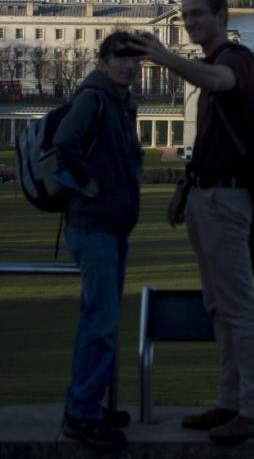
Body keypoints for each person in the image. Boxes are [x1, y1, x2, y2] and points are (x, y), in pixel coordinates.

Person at [130, 0, 254, 447]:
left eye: (197, 16)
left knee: (238, 307)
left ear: (222, 15)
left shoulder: (235, 60)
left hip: (228, 202)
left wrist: (164, 58)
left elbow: (218, 84)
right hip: (206, 196)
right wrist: (185, 187)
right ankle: (230, 401)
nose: (189, 23)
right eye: (185, 16)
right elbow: (211, 143)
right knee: (220, 306)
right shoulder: (213, 64)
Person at [56, 32, 144, 452]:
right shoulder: (93, 98)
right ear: (104, 62)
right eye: (120, 59)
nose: (129, 66)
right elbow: (65, 142)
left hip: (111, 224)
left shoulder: (122, 103)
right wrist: (90, 185)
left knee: (101, 321)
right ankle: (82, 415)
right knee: (100, 322)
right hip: (93, 225)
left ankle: (91, 404)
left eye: (134, 61)